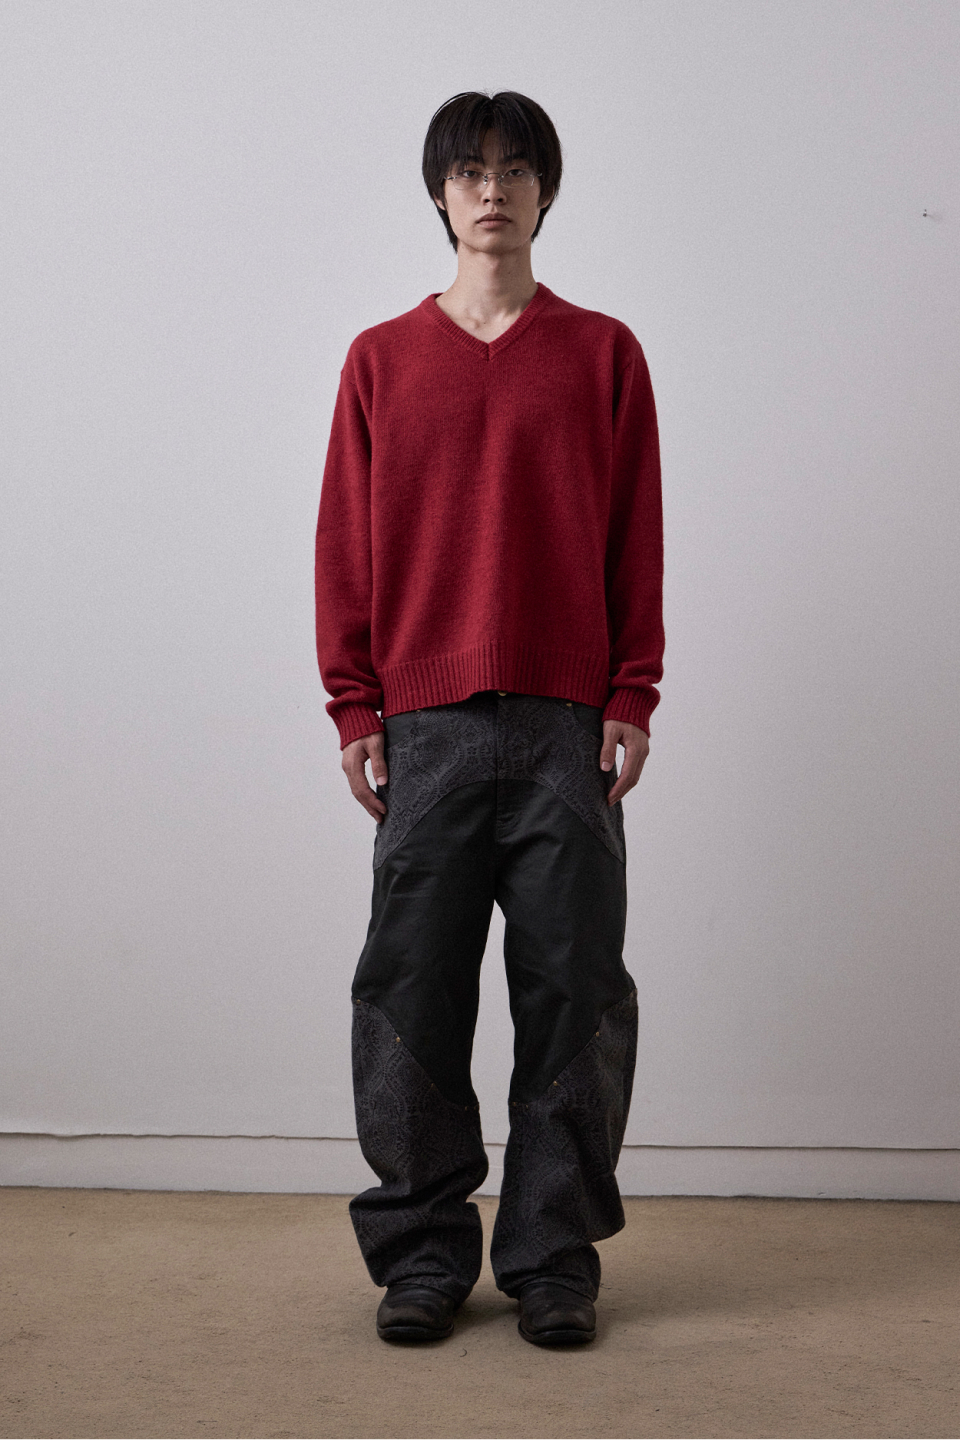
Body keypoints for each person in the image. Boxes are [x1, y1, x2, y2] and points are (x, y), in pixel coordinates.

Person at [314, 89, 664, 1347]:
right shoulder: (380, 360)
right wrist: (355, 702)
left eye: (517, 169)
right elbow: (345, 546)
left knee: (576, 994)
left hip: (570, 728)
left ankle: (552, 1257)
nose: (493, 189)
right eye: (470, 170)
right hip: (428, 728)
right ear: (440, 193)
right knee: (409, 991)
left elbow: (635, 534)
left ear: (545, 191)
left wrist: (633, 690)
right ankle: (421, 1254)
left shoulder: (604, 353)